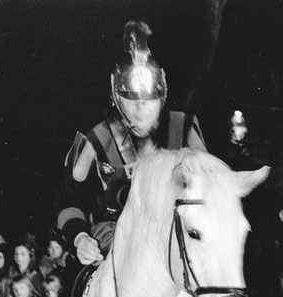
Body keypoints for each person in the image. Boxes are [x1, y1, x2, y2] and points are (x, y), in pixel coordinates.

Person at [57, 20, 206, 266]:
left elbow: (211, 189)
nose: (141, 108)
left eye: (150, 100)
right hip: (113, 241)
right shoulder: (97, 138)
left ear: (162, 97)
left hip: (176, 240)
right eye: (131, 99)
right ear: (117, 98)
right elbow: (69, 196)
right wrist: (80, 237)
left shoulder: (183, 128)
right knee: (73, 285)